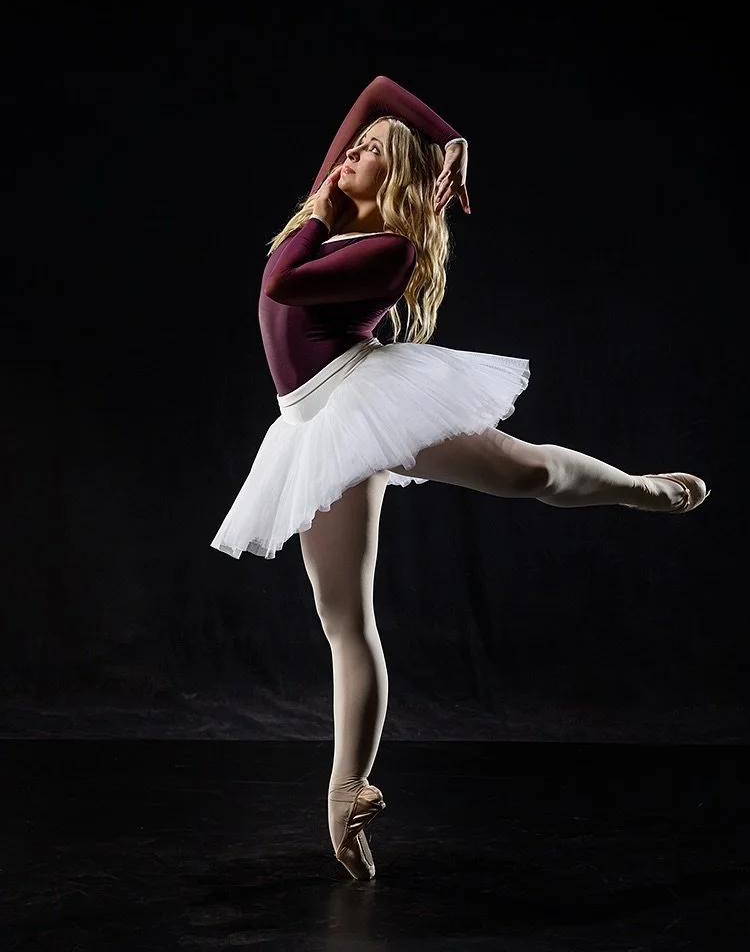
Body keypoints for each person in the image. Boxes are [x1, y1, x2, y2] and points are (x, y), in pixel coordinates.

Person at [210, 75, 709, 880]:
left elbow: (280, 283)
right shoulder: (330, 204)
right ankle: (347, 792)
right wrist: (453, 141)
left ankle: (639, 489)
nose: (350, 157)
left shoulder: (388, 248)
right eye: (352, 148)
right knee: (342, 618)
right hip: (311, 426)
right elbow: (376, 89)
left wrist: (327, 209)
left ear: (394, 181)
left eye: (370, 154)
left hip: (362, 395)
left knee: (526, 473)